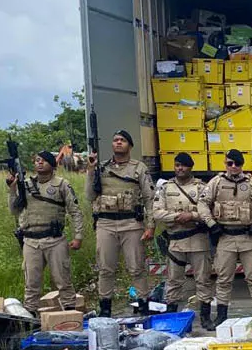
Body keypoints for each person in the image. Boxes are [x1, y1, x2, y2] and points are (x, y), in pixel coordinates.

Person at [196, 149, 252, 329]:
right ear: (225, 163)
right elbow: (202, 203)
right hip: (225, 237)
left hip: (249, 237)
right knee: (223, 278)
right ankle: (221, 316)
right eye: (230, 163)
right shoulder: (215, 183)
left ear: (242, 165)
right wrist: (211, 224)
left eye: (237, 164)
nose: (233, 167)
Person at [86, 129, 154, 317]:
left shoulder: (138, 168)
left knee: (136, 268)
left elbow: (150, 198)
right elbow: (90, 196)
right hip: (106, 223)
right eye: (115, 140)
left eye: (122, 140)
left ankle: (143, 304)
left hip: (131, 223)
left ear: (130, 145)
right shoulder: (101, 167)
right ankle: (105, 307)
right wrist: (90, 171)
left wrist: (150, 225)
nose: (118, 143)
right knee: (105, 268)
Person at [8, 151, 84, 315]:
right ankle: (30, 314)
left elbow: (75, 211)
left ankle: (70, 313)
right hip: (31, 240)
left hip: (55, 239)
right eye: (36, 160)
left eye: (43, 160)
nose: (39, 163)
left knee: (63, 280)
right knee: (31, 282)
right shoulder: (26, 185)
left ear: (52, 164)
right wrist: (13, 189)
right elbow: (14, 210)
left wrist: (78, 236)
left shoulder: (62, 184)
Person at [152, 152, 214, 327]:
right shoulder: (165, 188)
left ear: (190, 167)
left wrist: (192, 215)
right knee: (173, 280)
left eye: (183, 165)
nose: (180, 168)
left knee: (203, 280)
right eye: (177, 165)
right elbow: (156, 212)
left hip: (198, 240)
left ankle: (205, 317)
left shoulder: (202, 188)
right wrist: (177, 217)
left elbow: (210, 212)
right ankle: (171, 317)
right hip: (176, 241)